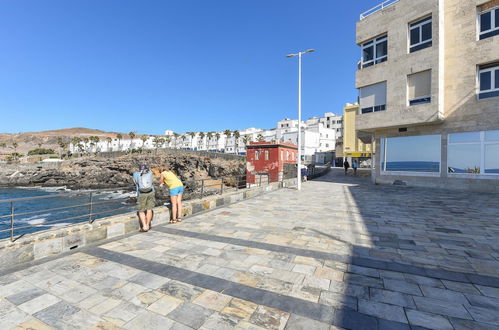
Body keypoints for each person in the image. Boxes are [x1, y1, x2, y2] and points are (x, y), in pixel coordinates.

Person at [133, 164, 155, 232]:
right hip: (151, 192)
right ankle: (148, 225)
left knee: (141, 210)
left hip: (141, 193)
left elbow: (135, 182)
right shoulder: (150, 173)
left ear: (139, 168)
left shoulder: (135, 174)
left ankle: (144, 226)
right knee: (149, 209)